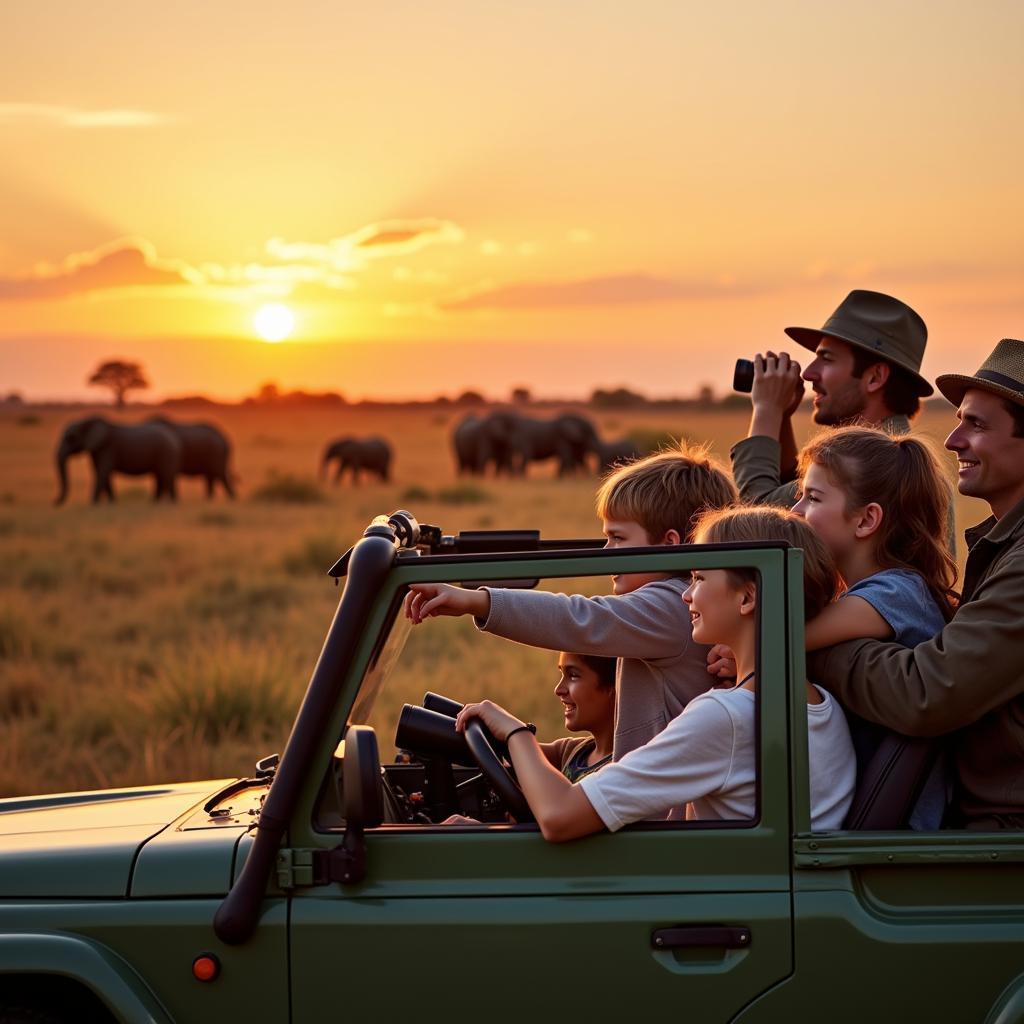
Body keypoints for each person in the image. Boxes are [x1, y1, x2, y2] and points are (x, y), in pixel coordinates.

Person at [451, 507, 856, 840]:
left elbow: (559, 816)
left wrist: (514, 733)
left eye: (698, 577)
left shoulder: (726, 717)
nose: (685, 594)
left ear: (748, 596)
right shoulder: (825, 708)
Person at [405, 443, 738, 761]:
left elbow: (581, 619)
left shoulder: (674, 606)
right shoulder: (682, 604)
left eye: (617, 538)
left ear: (668, 544)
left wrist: (476, 601)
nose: (606, 553)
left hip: (664, 817)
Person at [809, 338, 1024, 829]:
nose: (953, 442)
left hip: (1005, 825)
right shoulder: (1003, 544)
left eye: (977, 425)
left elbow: (929, 693)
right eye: (958, 420)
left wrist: (804, 651)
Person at [792, 426, 959, 828]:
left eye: (813, 498)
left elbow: (786, 637)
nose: (795, 511)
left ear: (867, 520)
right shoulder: (875, 590)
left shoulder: (897, 591)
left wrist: (739, 647)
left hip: (903, 829)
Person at [730, 289, 932, 508]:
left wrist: (766, 409)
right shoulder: (906, 462)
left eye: (826, 359)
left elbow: (758, 520)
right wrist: (782, 418)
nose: (808, 373)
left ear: (875, 377)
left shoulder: (870, 465)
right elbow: (794, 493)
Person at [541, 653, 616, 783]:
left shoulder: (623, 768)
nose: (558, 690)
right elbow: (520, 751)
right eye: (562, 674)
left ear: (614, 686)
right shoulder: (576, 750)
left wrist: (516, 732)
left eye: (573, 676)